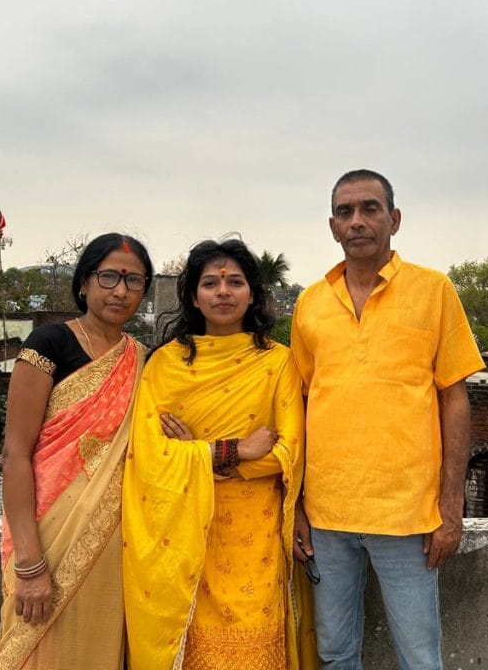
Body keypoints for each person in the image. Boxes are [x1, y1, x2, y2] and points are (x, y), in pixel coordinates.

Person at [291, 169, 484, 670]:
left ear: (394, 219)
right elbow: (302, 404)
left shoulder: (433, 290)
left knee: (419, 657)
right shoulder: (310, 303)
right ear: (332, 226)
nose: (357, 221)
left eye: (370, 209)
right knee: (335, 653)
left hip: (409, 517)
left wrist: (451, 502)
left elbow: (455, 399)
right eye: (345, 211)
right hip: (327, 515)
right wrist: (296, 504)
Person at [123, 238, 312, 670]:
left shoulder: (278, 362)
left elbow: (288, 450)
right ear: (193, 295)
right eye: (210, 283)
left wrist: (201, 455)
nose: (223, 292)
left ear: (252, 294)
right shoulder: (165, 366)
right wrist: (235, 450)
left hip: (256, 534)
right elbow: (149, 454)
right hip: (183, 531)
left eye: (235, 282)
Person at [0, 233, 154, 670]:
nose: (120, 290)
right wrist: (29, 562)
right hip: (47, 540)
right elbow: (15, 454)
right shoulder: (48, 345)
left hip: (114, 545)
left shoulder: (142, 359)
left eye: (134, 280)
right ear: (84, 283)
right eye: (109, 277)